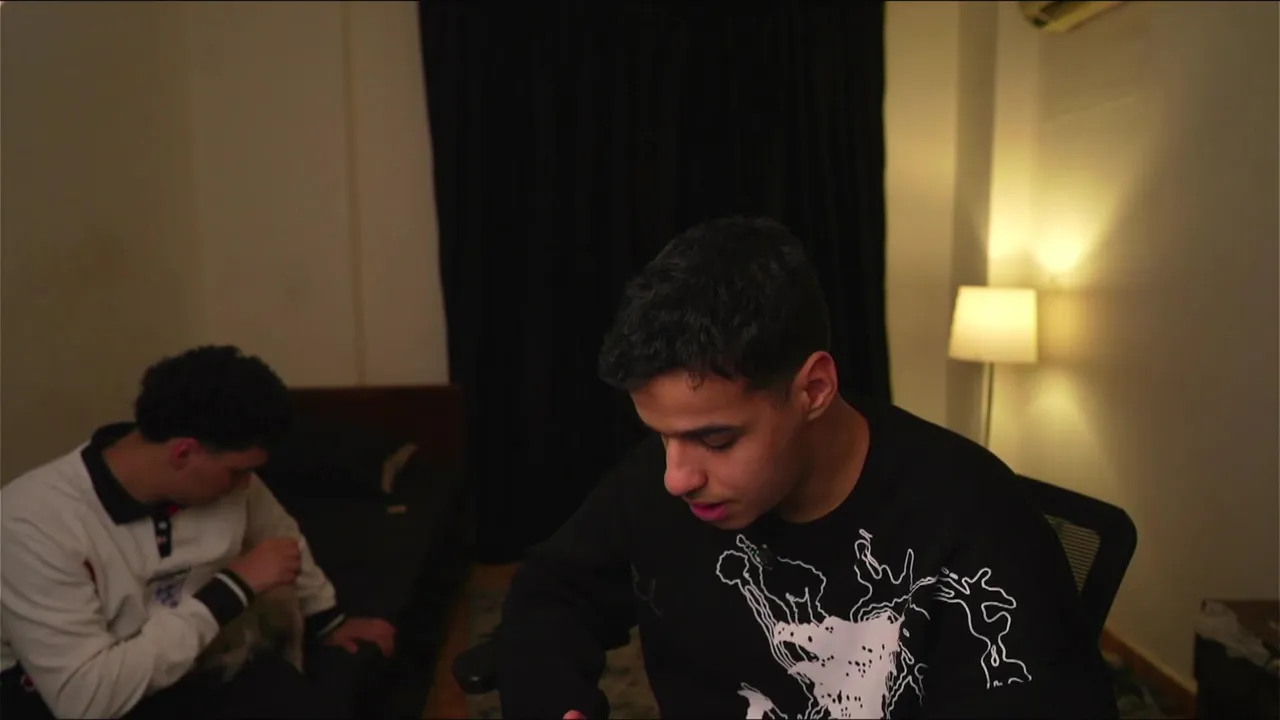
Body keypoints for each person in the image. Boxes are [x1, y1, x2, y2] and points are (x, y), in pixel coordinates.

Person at [496, 217, 1119, 719]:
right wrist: (555, 701)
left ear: (813, 389)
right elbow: (553, 589)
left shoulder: (976, 520)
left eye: (716, 439)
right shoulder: (662, 483)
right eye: (661, 436)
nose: (676, 478)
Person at [0, 346, 397, 719]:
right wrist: (231, 589)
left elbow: (280, 535)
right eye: (237, 471)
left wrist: (328, 619)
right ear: (183, 452)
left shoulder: (228, 483)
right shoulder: (31, 525)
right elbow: (85, 701)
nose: (246, 484)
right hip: (76, 695)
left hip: (182, 658)